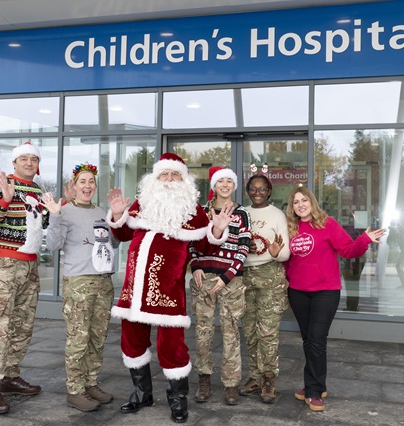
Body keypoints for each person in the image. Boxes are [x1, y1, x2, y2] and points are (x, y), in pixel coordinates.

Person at [106, 153, 233, 424]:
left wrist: (218, 231)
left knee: (172, 347)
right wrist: (118, 215)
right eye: (164, 174)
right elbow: (122, 234)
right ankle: (142, 394)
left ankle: (178, 400)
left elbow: (207, 247)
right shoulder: (142, 204)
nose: (169, 179)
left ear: (184, 180)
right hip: (134, 291)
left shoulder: (194, 211)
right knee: (131, 341)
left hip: (167, 294)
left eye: (175, 174)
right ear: (155, 178)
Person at [285, 186, 385, 412]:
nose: (300, 204)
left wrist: (364, 239)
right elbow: (286, 260)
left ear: (312, 202)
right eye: (296, 202)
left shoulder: (326, 223)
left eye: (304, 200)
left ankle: (313, 391)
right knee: (308, 340)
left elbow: (349, 250)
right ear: (292, 207)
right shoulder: (291, 228)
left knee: (317, 340)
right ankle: (316, 384)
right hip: (298, 292)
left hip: (325, 292)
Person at [40, 162, 119, 412]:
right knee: (78, 338)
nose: (87, 186)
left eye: (91, 182)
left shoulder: (100, 212)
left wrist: (117, 219)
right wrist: (54, 217)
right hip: (79, 283)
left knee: (97, 337)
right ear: (73, 186)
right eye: (82, 181)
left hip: (103, 281)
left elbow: (114, 244)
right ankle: (75, 390)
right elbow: (52, 245)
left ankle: (91, 383)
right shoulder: (63, 211)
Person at [0, 142, 49, 415]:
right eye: (24, 158)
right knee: (0, 323)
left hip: (30, 265)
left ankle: (9, 376)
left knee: (23, 324)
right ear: (15, 161)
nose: (29, 162)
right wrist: (6, 199)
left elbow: (40, 225)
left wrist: (53, 211)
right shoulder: (1, 184)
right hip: (6, 263)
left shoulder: (38, 190)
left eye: (33, 158)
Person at [189, 166, 251, 406]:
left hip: (231, 281)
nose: (225, 185)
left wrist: (227, 276)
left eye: (229, 181)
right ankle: (204, 380)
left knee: (231, 333)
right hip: (203, 279)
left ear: (234, 186)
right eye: (220, 181)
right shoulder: (201, 212)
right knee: (203, 332)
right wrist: (195, 266)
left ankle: (231, 384)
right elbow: (192, 242)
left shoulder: (242, 213)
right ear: (213, 185)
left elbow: (244, 247)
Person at [238, 173, 290, 404]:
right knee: (249, 330)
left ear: (269, 191)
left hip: (270, 276)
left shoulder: (277, 215)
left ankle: (269, 378)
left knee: (267, 332)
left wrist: (276, 252)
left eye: (262, 189)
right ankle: (255, 377)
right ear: (248, 191)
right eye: (253, 188)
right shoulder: (242, 214)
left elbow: (285, 251)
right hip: (244, 278)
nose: (257, 192)